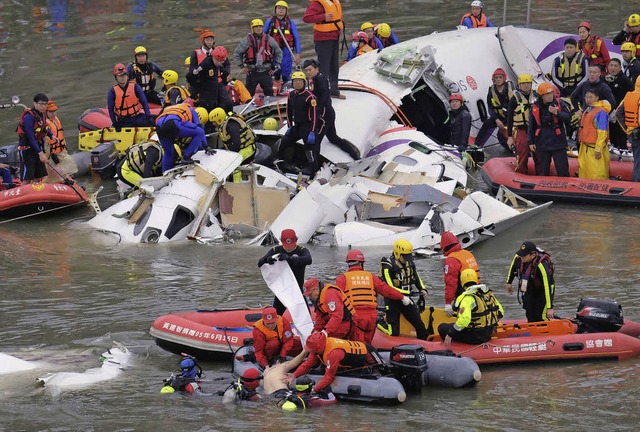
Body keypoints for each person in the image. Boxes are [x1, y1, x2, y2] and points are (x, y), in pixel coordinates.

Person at [334, 249, 411, 344]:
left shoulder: (342, 279)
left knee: (358, 346)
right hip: (371, 317)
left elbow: (335, 297)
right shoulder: (371, 277)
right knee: (367, 344)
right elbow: (386, 290)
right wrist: (402, 297)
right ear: (361, 263)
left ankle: (362, 356)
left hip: (356, 317)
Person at [286, 332, 382, 395]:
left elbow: (329, 377)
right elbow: (307, 364)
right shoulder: (317, 349)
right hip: (348, 360)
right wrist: (294, 375)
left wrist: (314, 390)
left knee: (382, 368)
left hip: (367, 352)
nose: (309, 350)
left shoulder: (333, 353)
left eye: (310, 348)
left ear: (318, 347)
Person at [303, 58, 360, 160]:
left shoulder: (320, 80)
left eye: (310, 70)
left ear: (316, 69)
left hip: (324, 115)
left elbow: (325, 97)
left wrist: (317, 113)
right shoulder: (315, 79)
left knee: (316, 141)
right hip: (329, 113)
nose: (308, 72)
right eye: (306, 70)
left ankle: (314, 166)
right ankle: (354, 154)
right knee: (333, 138)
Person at [378, 239, 429, 340]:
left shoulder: (409, 263)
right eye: (404, 256)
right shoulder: (387, 266)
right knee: (393, 333)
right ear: (397, 253)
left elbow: (416, 277)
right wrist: (408, 293)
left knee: (420, 326)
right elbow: (389, 287)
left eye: (408, 256)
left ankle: (424, 344)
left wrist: (422, 289)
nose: (407, 259)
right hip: (392, 301)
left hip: (407, 299)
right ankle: (379, 323)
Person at [437, 269, 503, 346]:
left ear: (462, 282)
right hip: (488, 333)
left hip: (474, 337)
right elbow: (501, 312)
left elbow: (464, 320)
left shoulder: (467, 298)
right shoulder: (487, 294)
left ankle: (452, 347)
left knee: (442, 327)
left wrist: (450, 334)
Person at [278, 71, 323, 176]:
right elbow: (288, 111)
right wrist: (290, 126)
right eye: (295, 81)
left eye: (299, 81)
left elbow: (315, 115)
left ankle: (312, 170)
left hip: (308, 126)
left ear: (304, 82)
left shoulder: (310, 97)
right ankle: (286, 163)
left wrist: (312, 131)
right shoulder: (291, 95)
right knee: (284, 142)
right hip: (297, 126)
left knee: (310, 150)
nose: (297, 83)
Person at [257, 228, 312, 315]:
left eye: (291, 245)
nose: (289, 248)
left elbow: (309, 260)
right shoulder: (275, 250)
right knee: (276, 315)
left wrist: (290, 259)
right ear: (281, 241)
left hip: (297, 290)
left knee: (305, 317)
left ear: (296, 240)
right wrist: (268, 259)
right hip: (282, 291)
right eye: (286, 245)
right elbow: (260, 263)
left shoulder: (301, 250)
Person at [527, 82, 570, 176]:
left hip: (558, 141)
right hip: (542, 142)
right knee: (543, 169)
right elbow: (531, 126)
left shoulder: (559, 104)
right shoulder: (535, 107)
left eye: (551, 93)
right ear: (542, 96)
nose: (550, 96)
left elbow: (568, 118)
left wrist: (557, 113)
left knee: (562, 169)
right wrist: (531, 142)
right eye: (547, 94)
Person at [303, 0, 344, 99]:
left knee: (334, 66)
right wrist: (323, 17)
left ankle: (334, 91)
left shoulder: (335, 2)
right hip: (323, 39)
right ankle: (321, 94)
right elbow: (306, 18)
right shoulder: (317, 3)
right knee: (324, 68)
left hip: (334, 37)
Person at [506, 241, 555, 322]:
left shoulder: (541, 265)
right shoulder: (519, 258)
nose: (522, 257)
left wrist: (549, 308)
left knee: (541, 315)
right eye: (521, 255)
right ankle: (532, 329)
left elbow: (547, 286)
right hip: (530, 287)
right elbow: (513, 268)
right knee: (530, 313)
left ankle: (544, 330)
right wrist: (509, 283)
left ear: (533, 255)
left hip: (544, 289)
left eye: (524, 256)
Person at [155, 100, 208, 173]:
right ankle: (186, 157)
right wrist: (206, 147)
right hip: (172, 124)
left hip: (159, 125)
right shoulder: (192, 110)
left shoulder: (175, 107)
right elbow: (200, 130)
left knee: (168, 153)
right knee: (200, 133)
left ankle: (164, 173)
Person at [16, 93, 59, 184]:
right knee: (28, 177)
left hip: (37, 147)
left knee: (39, 176)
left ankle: (38, 193)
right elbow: (31, 137)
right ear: (35, 103)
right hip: (27, 149)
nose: (43, 106)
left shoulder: (42, 115)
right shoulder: (28, 117)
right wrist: (41, 154)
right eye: (41, 104)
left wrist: (52, 136)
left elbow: (45, 128)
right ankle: (24, 193)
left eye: (45, 104)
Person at [234, 19, 283, 97]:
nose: (258, 28)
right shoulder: (246, 41)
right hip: (252, 72)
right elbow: (237, 54)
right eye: (256, 27)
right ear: (252, 28)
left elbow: (279, 52)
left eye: (260, 26)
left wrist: (276, 66)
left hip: (266, 72)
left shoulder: (270, 39)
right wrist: (242, 67)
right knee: (249, 93)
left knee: (269, 92)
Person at [302, 277, 362, 341]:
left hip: (347, 323)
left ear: (316, 289)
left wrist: (326, 332)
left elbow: (337, 317)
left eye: (310, 294)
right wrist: (315, 332)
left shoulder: (330, 293)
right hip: (337, 323)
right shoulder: (317, 299)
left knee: (326, 340)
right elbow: (320, 318)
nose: (309, 297)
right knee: (316, 338)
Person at [440, 231, 480, 317]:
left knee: (458, 318)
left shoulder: (451, 260)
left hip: (463, 295)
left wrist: (448, 303)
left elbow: (451, 283)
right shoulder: (468, 253)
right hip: (477, 292)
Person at [475, 68, 515, 149]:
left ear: (504, 78)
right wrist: (496, 119)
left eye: (500, 77)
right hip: (499, 116)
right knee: (487, 124)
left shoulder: (512, 88)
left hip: (512, 117)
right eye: (496, 78)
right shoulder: (491, 90)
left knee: (502, 135)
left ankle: (513, 150)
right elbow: (490, 107)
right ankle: (477, 145)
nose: (498, 79)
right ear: (493, 79)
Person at [264, 1, 301, 84]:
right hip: (272, 50)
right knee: (273, 70)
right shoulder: (270, 21)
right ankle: (273, 84)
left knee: (286, 69)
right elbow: (263, 36)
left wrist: (298, 53)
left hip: (286, 50)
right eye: (279, 8)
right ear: (275, 9)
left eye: (283, 8)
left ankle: (286, 84)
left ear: (286, 10)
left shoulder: (290, 22)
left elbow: (296, 38)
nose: (281, 10)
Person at [577, 89, 611, 180]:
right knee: (584, 171)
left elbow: (602, 133)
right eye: (586, 97)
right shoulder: (588, 110)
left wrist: (598, 149)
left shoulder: (600, 113)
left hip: (594, 148)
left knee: (597, 174)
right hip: (585, 147)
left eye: (590, 97)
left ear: (597, 98)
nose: (588, 99)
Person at [192, 45, 234, 116]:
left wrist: (225, 74)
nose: (209, 42)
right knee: (209, 105)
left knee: (227, 102)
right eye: (207, 40)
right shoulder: (198, 55)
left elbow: (227, 65)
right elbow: (193, 73)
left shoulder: (220, 51)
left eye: (211, 40)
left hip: (218, 82)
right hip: (205, 85)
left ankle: (227, 117)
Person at [107, 63, 152, 129]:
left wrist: (148, 115)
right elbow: (110, 109)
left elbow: (144, 101)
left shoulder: (135, 86)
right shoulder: (112, 92)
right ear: (116, 77)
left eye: (124, 75)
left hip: (137, 117)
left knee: (154, 120)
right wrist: (115, 123)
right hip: (123, 121)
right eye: (120, 76)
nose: (123, 77)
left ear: (127, 75)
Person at [507, 74, 535, 174]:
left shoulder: (536, 95)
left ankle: (541, 174)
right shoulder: (514, 99)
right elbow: (509, 118)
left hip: (535, 129)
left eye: (528, 83)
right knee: (523, 151)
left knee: (539, 153)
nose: (526, 85)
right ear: (519, 85)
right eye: (524, 83)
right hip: (521, 129)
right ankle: (521, 172)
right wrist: (509, 136)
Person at [615, 76, 640, 181]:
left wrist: (628, 129)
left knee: (638, 161)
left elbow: (618, 113)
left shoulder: (629, 96)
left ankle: (636, 185)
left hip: (634, 133)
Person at [605, 59, 633, 150]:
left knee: (620, 131)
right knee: (611, 131)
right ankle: (613, 147)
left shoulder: (624, 79)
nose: (613, 68)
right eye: (611, 65)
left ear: (620, 68)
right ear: (608, 67)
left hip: (621, 111)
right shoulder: (606, 79)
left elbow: (632, 92)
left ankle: (622, 148)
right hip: (609, 110)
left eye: (615, 66)